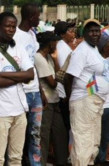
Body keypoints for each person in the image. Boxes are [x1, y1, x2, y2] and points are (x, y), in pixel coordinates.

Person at [0, 11, 34, 166]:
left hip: (20, 110)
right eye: (7, 26)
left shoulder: (19, 48)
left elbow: (30, 74)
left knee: (16, 158)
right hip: (0, 112)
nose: (11, 29)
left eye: (13, 26)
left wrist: (4, 74)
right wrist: (19, 77)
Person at [64, 19, 109, 166]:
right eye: (91, 31)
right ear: (84, 33)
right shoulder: (82, 51)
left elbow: (91, 76)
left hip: (93, 100)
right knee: (83, 142)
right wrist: (70, 99)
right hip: (83, 101)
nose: (95, 34)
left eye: (97, 31)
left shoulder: (93, 48)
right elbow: (69, 77)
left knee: (93, 142)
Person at [13, 3, 46, 165]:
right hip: (20, 92)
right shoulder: (14, 35)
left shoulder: (32, 34)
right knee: (18, 133)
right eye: (38, 16)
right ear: (31, 17)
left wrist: (40, 90)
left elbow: (33, 65)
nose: (39, 19)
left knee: (35, 132)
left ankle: (35, 163)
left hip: (34, 92)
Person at [34, 31, 68, 166]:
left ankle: (62, 162)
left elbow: (58, 75)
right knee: (44, 136)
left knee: (60, 134)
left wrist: (54, 59)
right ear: (50, 43)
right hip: (46, 103)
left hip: (54, 101)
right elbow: (53, 83)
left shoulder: (48, 57)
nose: (57, 44)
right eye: (55, 42)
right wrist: (58, 75)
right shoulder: (38, 58)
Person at [54, 21, 76, 149]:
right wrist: (68, 94)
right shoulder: (62, 48)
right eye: (70, 31)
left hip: (65, 91)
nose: (73, 33)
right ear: (62, 34)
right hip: (64, 92)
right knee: (67, 124)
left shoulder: (64, 46)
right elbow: (65, 75)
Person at [95, 35, 109, 165]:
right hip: (98, 104)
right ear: (105, 47)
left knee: (105, 136)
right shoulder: (96, 61)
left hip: (108, 105)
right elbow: (90, 83)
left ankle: (101, 159)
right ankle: (94, 159)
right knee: (95, 135)